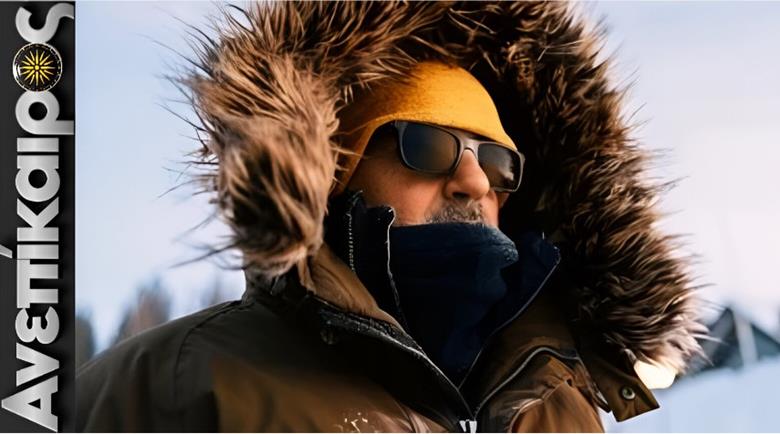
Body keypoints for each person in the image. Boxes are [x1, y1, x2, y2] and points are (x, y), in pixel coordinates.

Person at [77, 2, 706, 432]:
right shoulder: (167, 385)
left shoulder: (564, 403)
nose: (474, 181)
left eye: (499, 163)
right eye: (427, 146)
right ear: (334, 170)